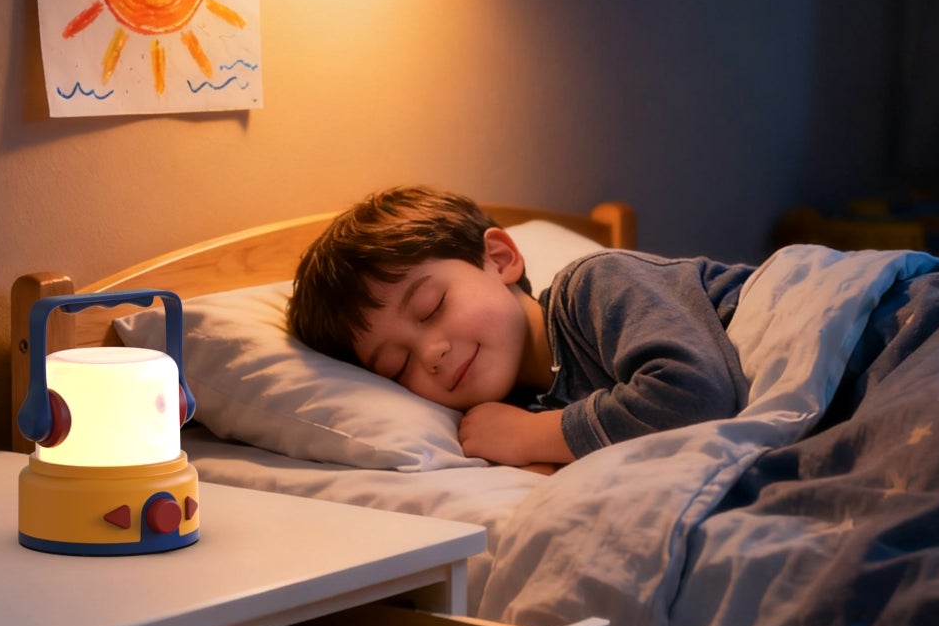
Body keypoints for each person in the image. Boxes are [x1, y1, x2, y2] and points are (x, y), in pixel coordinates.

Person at [288, 185, 753, 470]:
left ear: (500, 259)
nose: (430, 354)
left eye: (431, 308)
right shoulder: (510, 416)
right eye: (398, 363)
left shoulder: (594, 286)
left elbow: (696, 395)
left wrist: (533, 437)